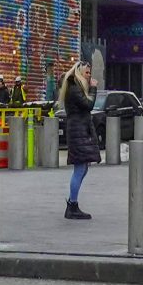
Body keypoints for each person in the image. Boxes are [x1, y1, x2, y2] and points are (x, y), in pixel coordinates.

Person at [58, 60, 101, 220]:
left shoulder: (75, 87)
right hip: (78, 131)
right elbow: (88, 105)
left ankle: (72, 203)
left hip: (79, 130)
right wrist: (94, 88)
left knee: (83, 168)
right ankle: (72, 205)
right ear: (79, 73)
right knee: (80, 168)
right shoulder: (75, 88)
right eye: (87, 73)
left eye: (90, 73)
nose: (89, 76)